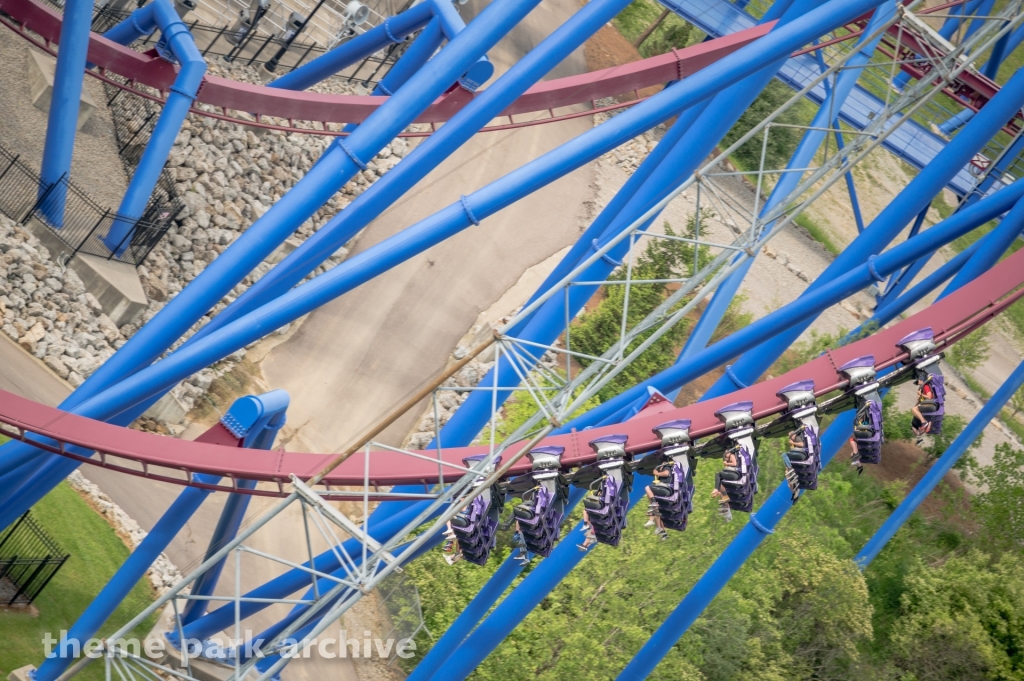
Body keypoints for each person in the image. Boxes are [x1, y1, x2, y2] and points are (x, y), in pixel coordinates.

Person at [644, 462, 673, 540]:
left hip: (665, 488)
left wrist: (657, 473)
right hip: (661, 489)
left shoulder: (667, 467)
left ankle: (653, 507)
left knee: (647, 488)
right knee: (657, 511)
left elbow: (666, 473)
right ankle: (661, 530)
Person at [711, 448, 740, 521]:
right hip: (731, 474)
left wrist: (726, 463)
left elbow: (734, 464)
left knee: (718, 474)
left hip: (735, 475)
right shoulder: (727, 459)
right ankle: (723, 499)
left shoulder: (732, 456)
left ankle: (716, 489)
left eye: (726, 452)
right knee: (720, 484)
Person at [911, 380, 936, 444]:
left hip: (927, 405)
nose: (918, 383)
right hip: (922, 406)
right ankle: (920, 438)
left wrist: (921, 394)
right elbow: (918, 401)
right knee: (914, 426)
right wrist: (918, 397)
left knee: (914, 423)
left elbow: (929, 396)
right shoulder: (921, 388)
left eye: (919, 381)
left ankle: (925, 423)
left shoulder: (926, 386)